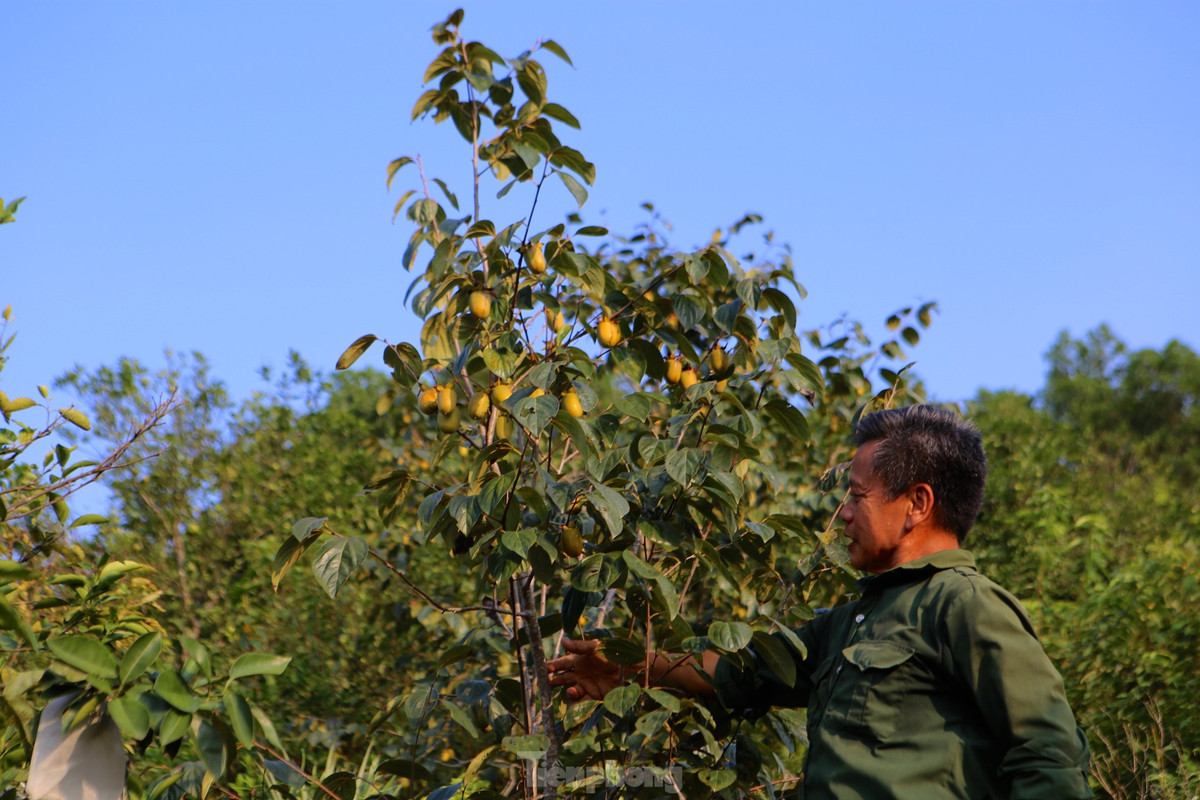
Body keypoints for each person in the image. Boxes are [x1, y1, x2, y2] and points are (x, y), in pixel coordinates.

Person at [547, 404, 1093, 799]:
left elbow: (1049, 753)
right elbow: (741, 671)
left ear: (917, 504)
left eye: (858, 496)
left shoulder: (965, 606)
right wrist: (634, 668)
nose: (844, 514)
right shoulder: (851, 621)